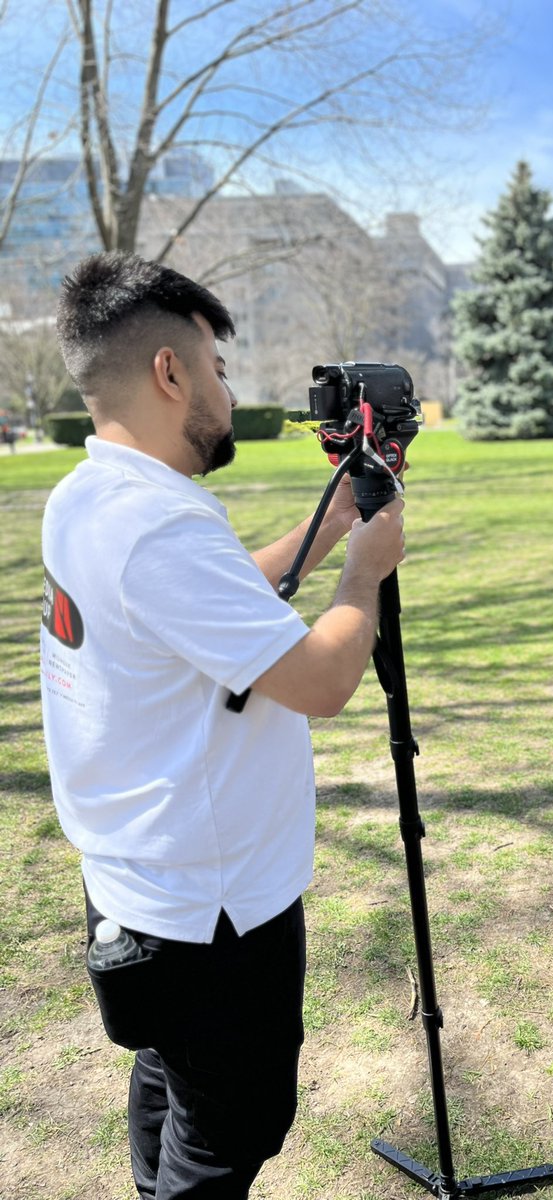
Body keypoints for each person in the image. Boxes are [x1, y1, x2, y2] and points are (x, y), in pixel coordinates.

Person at [40, 251, 406, 1198]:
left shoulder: (90, 495)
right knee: (228, 1129)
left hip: (138, 883)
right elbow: (323, 680)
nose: (227, 390)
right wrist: (365, 570)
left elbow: (218, 588)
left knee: (169, 1071)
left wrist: (330, 527)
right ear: (171, 373)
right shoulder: (157, 527)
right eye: (219, 367)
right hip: (212, 910)